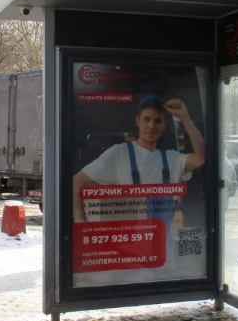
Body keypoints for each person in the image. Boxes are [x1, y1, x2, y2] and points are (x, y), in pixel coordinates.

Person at [72, 94, 206, 225]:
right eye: (147, 119)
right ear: (137, 121)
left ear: (164, 125)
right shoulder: (119, 153)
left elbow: (200, 158)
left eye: (158, 121)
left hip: (164, 242)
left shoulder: (172, 159)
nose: (152, 126)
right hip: (129, 241)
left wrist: (184, 117)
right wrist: (79, 221)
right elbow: (78, 181)